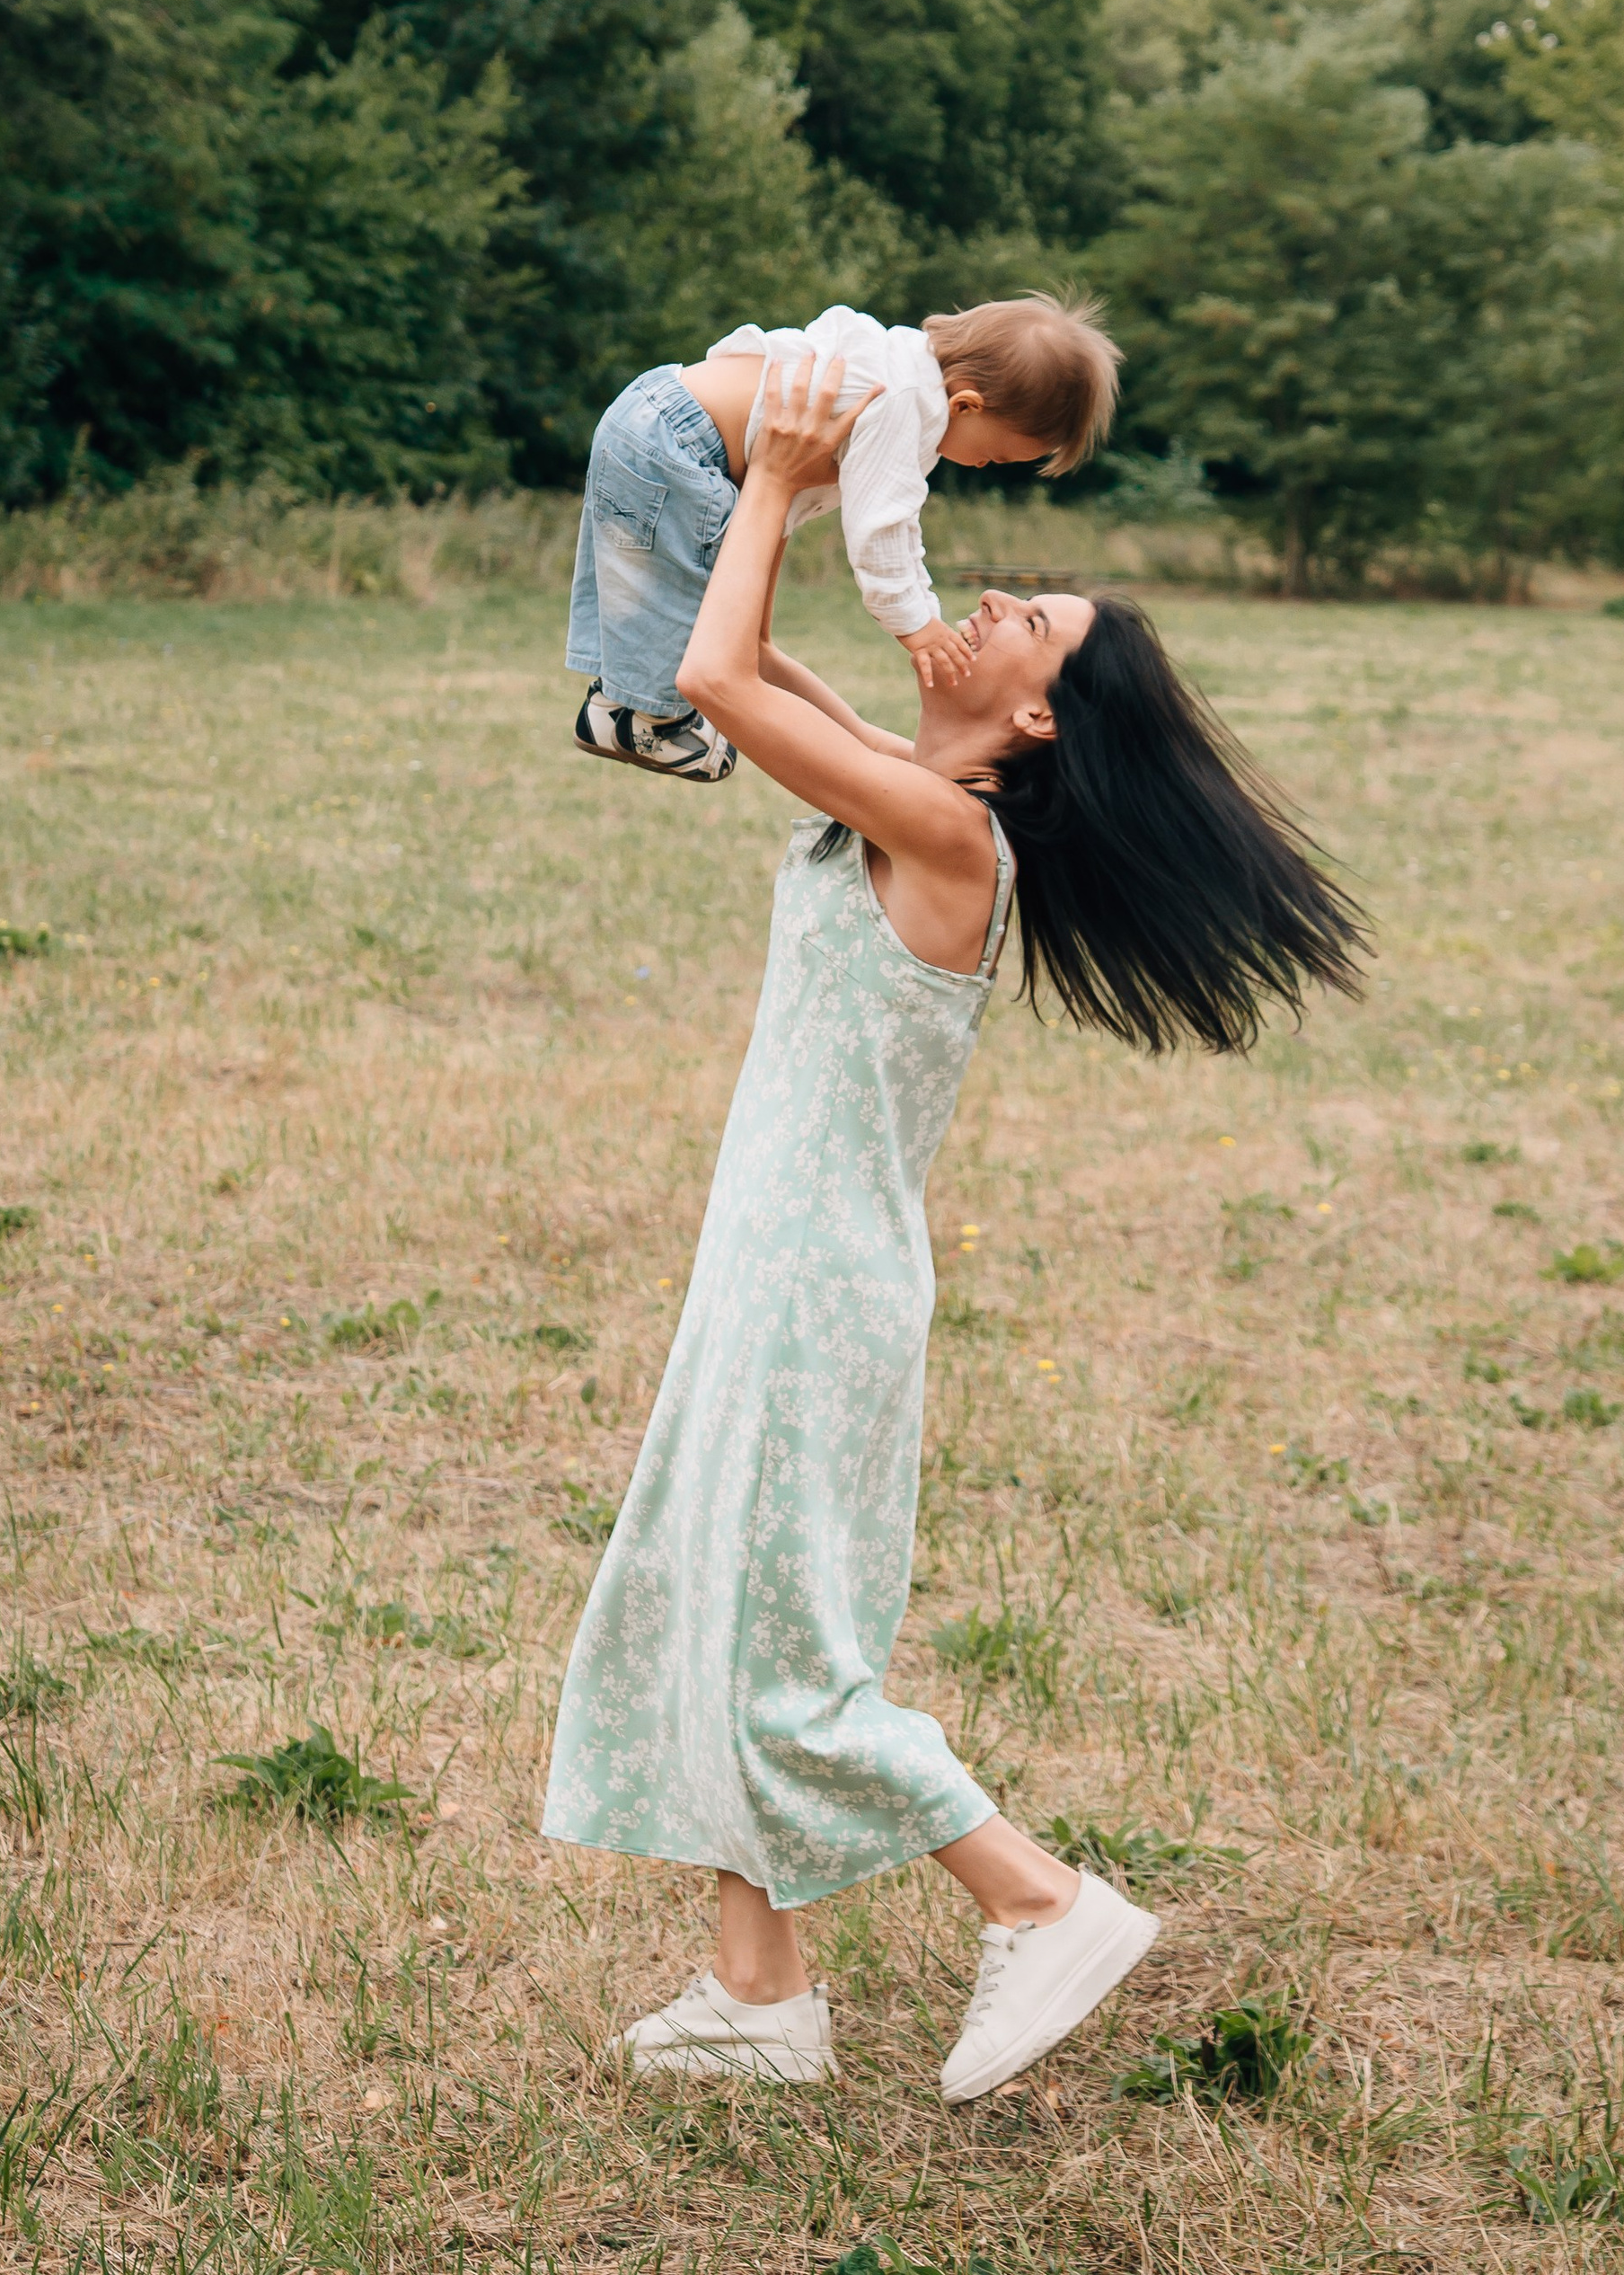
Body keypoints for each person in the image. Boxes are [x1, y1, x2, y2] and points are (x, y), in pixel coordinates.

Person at [542, 355, 1366, 2102]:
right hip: (774, 1263)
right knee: (722, 1603)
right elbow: (748, 663)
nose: (984, 595)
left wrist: (777, 475)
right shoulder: (899, 787)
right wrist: (722, 479)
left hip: (812, 1284)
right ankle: (755, 1995)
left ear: (1040, 716)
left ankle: (1040, 1898)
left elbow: (705, 674)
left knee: (791, 1656)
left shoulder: (945, 833)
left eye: (1027, 618)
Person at [568, 294, 1119, 783]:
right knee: (674, 588)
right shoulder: (909, 403)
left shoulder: (891, 359)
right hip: (688, 443)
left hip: (655, 408)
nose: (980, 466)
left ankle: (621, 701)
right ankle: (644, 717)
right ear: (966, 404)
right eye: (994, 454)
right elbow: (882, 529)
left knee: (650, 581)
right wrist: (918, 625)